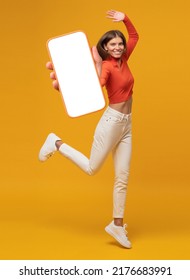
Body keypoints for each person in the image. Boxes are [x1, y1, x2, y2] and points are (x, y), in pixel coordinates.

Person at [39, 9, 139, 248]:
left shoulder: (123, 59)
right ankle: (56, 143)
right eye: (112, 44)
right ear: (104, 47)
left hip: (127, 123)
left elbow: (134, 36)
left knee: (122, 177)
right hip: (112, 121)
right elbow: (95, 86)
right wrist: (75, 78)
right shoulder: (106, 66)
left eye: (119, 43)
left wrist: (124, 18)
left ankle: (116, 224)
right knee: (93, 168)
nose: (117, 46)